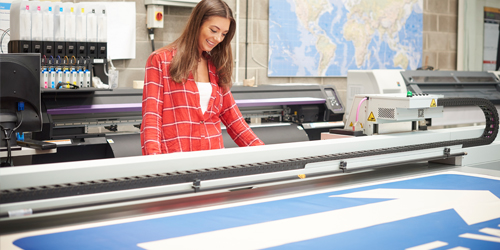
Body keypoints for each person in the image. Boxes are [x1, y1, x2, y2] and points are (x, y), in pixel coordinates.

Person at [141, 0, 264, 155]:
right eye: (213, 30)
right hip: (175, 161)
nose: (219, 38)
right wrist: (152, 164)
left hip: (213, 162)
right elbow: (152, 119)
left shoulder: (216, 67)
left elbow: (234, 120)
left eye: (224, 34)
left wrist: (265, 154)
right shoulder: (160, 60)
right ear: (197, 23)